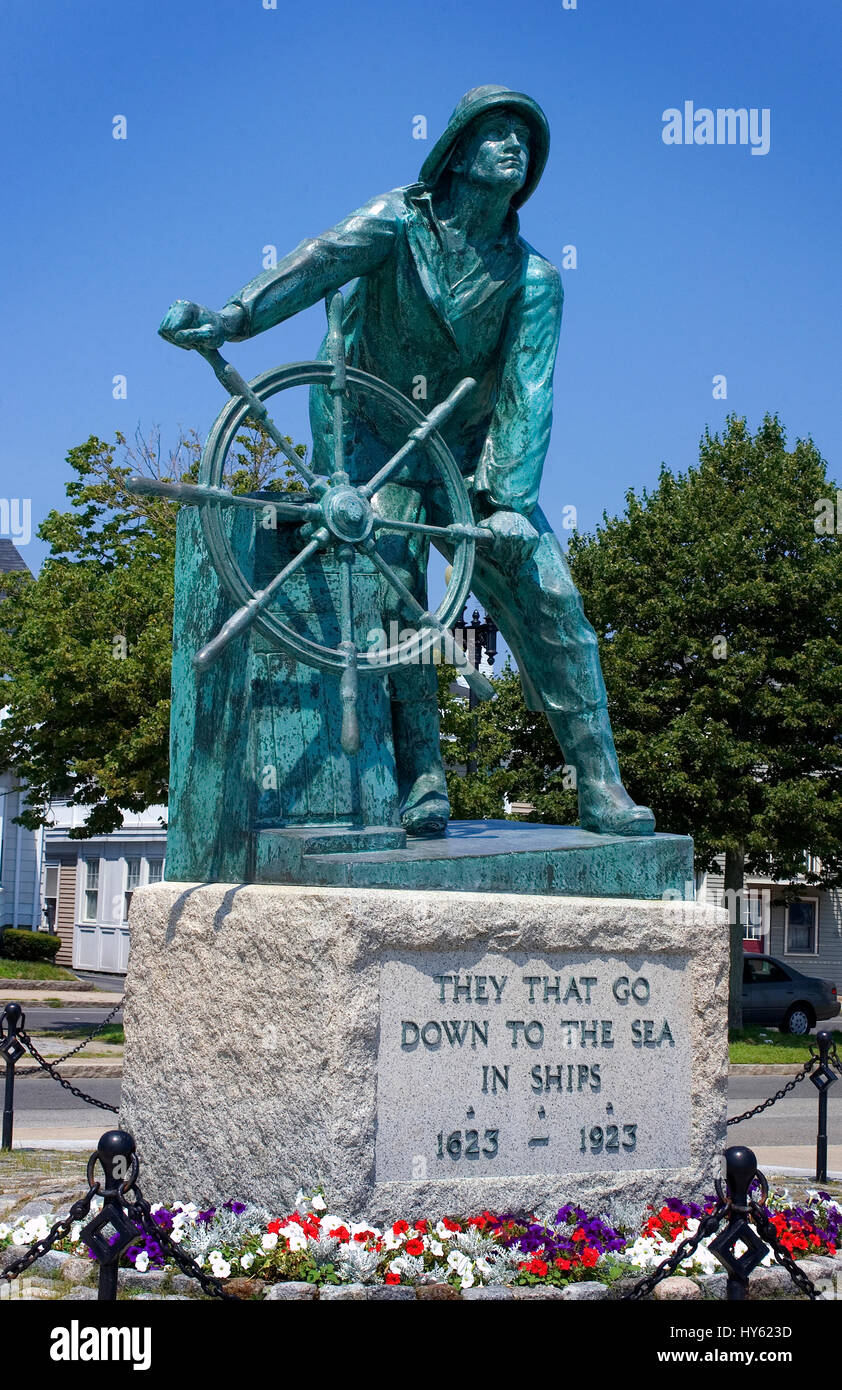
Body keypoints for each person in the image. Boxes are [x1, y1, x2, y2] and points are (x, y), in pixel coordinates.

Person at [160, 85, 655, 839]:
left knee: (554, 599)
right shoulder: (397, 222)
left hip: (474, 464)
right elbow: (315, 265)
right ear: (455, 153)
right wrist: (233, 317)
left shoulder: (536, 281)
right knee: (395, 597)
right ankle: (423, 776)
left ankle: (600, 784)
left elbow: (529, 392)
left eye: (525, 139)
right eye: (495, 134)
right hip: (378, 444)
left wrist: (511, 502)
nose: (514, 147)